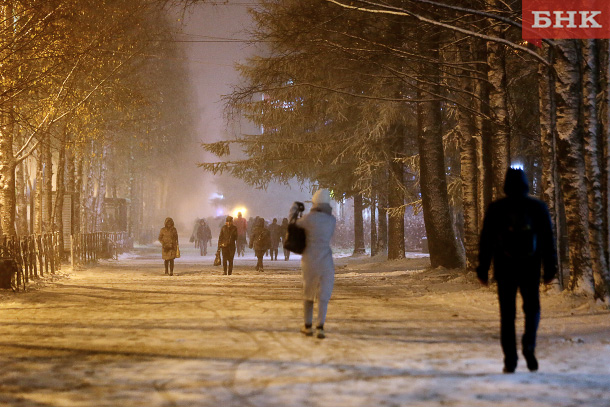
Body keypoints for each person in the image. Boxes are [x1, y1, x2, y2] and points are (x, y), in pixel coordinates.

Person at [477, 168, 557, 374]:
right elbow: (548, 240)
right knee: (532, 310)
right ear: (525, 184)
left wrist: (483, 270)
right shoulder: (538, 207)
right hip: (530, 267)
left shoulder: (496, 208)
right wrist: (550, 269)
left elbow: (486, 240)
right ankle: (529, 345)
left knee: (507, 315)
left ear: (506, 185)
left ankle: (510, 360)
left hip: (505, 269)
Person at [296, 189, 336, 339]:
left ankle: (307, 325)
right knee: (324, 294)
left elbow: (296, 226)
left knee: (309, 293)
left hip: (309, 259)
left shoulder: (308, 219)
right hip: (326, 259)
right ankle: (320, 326)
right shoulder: (332, 220)